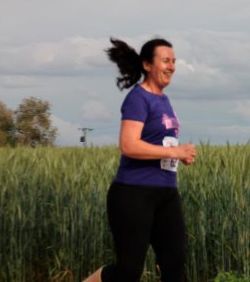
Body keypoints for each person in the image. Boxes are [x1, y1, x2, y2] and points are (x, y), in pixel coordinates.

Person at [83, 37, 197, 282]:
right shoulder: (138, 98)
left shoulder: (164, 101)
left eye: (174, 61)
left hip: (166, 193)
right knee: (128, 271)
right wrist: (174, 152)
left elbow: (159, 143)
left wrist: (180, 155)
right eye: (165, 60)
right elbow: (128, 144)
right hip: (133, 193)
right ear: (147, 64)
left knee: (174, 264)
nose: (172, 66)